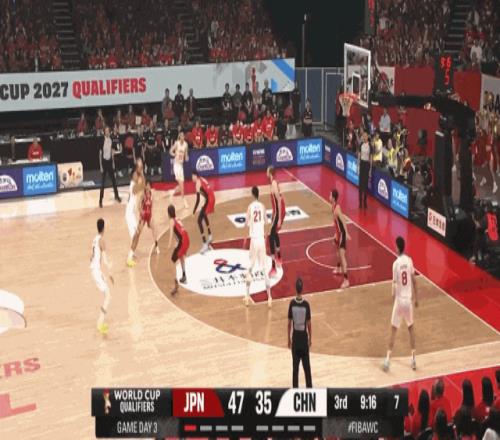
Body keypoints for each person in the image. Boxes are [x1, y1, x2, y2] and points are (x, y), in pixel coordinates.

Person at [383, 236, 418, 372]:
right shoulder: (409, 261)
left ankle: (387, 359)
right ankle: (413, 359)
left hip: (399, 301)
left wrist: (393, 300)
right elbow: (414, 280)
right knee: (411, 328)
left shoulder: (396, 264)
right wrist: (417, 298)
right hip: (408, 301)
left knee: (393, 330)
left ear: (398, 247)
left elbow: (394, 284)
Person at [244, 186, 272, 307]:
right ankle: (269, 297)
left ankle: (247, 296)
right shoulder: (263, 206)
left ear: (252, 194)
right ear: (258, 194)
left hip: (254, 240)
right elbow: (267, 221)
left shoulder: (250, 207)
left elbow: (246, 223)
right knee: (265, 269)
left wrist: (250, 224)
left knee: (250, 268)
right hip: (261, 239)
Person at [127, 181, 159, 267]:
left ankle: (156, 246)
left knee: (154, 228)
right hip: (143, 217)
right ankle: (132, 251)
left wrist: (151, 216)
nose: (147, 187)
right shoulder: (143, 195)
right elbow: (138, 206)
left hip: (149, 216)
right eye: (146, 185)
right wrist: (141, 212)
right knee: (138, 234)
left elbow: (152, 206)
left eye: (149, 185)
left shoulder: (152, 195)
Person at [90, 218, 113, 335]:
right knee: (108, 296)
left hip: (95, 271)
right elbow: (105, 260)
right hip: (96, 272)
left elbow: (91, 257)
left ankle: (101, 322)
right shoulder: (102, 241)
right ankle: (100, 323)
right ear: (104, 228)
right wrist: (110, 273)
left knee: (107, 295)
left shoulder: (94, 239)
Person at [288, 277, 312, 388]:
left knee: (295, 369)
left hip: (295, 338)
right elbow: (309, 324)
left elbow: (289, 323)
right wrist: (310, 338)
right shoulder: (306, 304)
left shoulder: (292, 304)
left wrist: (289, 339)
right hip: (303, 338)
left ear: (295, 288)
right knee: (307, 368)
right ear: (302, 289)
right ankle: (310, 390)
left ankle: (295, 391)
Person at [167, 204, 190, 295]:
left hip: (182, 241)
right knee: (181, 257)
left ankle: (175, 284)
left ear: (168, 213)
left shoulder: (171, 221)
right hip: (186, 239)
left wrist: (169, 245)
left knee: (172, 261)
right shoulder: (178, 218)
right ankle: (184, 276)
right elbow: (181, 230)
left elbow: (171, 234)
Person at [267, 166, 285, 278]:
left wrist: (278, 218)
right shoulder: (274, 183)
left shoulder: (273, 183)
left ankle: (273, 268)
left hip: (278, 212)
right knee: (274, 233)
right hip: (277, 212)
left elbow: (279, 200)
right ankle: (279, 258)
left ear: (270, 172)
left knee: (270, 236)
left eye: (267, 171)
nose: (266, 172)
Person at [330, 189, 350, 288]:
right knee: (337, 251)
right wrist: (335, 234)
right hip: (338, 233)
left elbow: (344, 221)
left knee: (342, 256)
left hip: (342, 234)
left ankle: (346, 280)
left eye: (330, 195)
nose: (329, 196)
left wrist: (346, 233)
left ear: (333, 198)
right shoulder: (332, 206)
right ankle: (338, 268)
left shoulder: (337, 209)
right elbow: (337, 223)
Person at [192, 171, 215, 254]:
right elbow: (207, 190)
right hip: (212, 198)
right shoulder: (202, 179)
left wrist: (194, 210)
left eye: (192, 176)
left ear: (195, 176)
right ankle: (210, 235)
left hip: (209, 200)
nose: (192, 178)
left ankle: (204, 243)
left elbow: (198, 200)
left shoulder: (197, 184)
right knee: (204, 213)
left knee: (199, 221)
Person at [98, 127, 121, 208]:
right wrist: (100, 165)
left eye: (108, 131)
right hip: (104, 163)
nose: (107, 132)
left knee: (114, 181)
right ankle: (100, 200)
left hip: (110, 162)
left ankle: (116, 196)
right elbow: (100, 154)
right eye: (106, 131)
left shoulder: (111, 140)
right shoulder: (102, 140)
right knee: (103, 183)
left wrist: (113, 162)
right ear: (104, 132)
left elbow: (112, 152)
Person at [125, 159, 145, 243]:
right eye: (140, 166)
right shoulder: (137, 175)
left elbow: (137, 189)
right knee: (130, 215)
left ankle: (134, 233)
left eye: (142, 166)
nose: (141, 168)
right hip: (132, 199)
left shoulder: (138, 176)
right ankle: (135, 232)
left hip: (133, 200)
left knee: (128, 216)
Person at [169, 131, 189, 209]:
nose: (182, 137)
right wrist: (174, 154)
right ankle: (184, 201)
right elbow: (170, 151)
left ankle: (173, 191)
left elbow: (186, 155)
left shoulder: (186, 144)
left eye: (183, 136)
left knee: (181, 185)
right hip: (176, 165)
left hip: (181, 166)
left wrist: (186, 158)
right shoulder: (176, 143)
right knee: (182, 185)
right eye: (181, 136)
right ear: (179, 137)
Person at [358, 132, 372, 209]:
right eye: (363, 136)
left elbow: (371, 158)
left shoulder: (370, 146)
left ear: (367, 137)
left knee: (365, 184)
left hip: (367, 165)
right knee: (360, 184)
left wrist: (370, 170)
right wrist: (357, 167)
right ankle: (360, 201)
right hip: (362, 164)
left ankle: (365, 201)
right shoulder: (361, 145)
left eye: (365, 136)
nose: (364, 137)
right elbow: (359, 156)